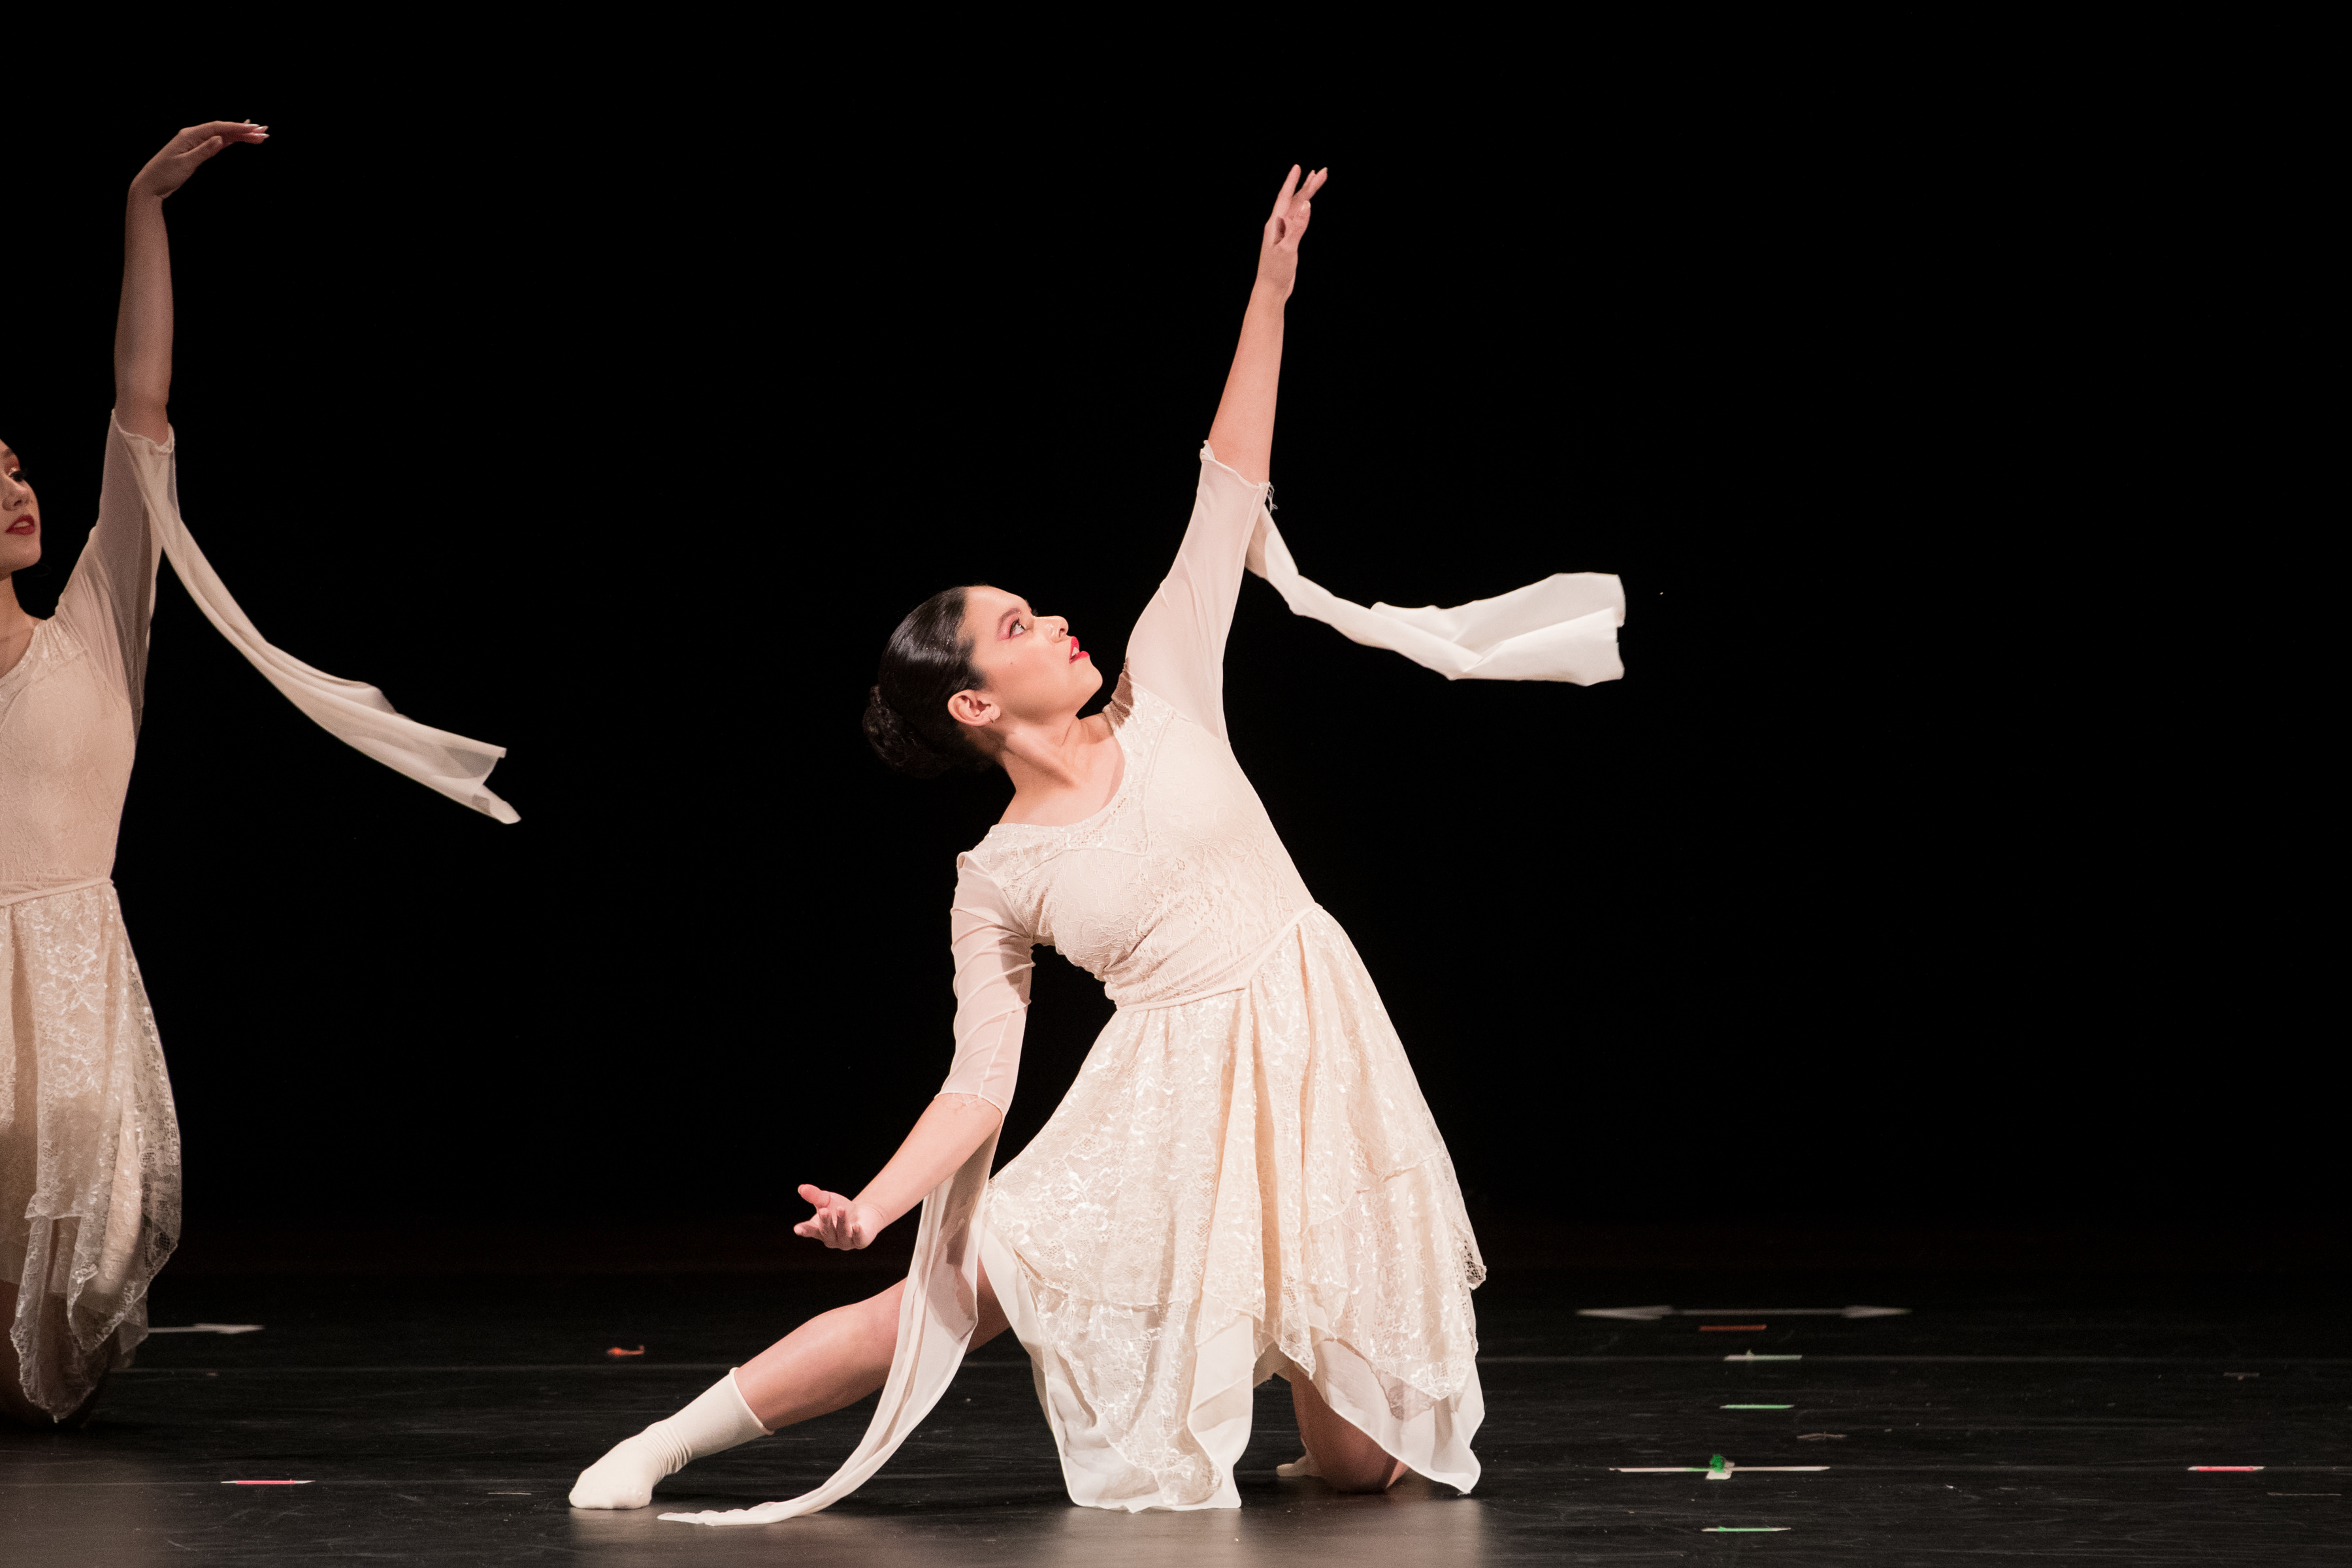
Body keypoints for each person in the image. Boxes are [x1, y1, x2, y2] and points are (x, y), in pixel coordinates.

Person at [568, 165, 1625, 1523]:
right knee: (940, 1304)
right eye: (1014, 630)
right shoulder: (999, 874)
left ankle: (1312, 1413)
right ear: (973, 704)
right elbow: (979, 1087)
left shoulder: (1167, 682)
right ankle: (666, 1442)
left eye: (1036, 609)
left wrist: (1270, 293)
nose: (1051, 623)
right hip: (1155, 1113)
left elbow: (1227, 485)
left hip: (1312, 1059)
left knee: (1364, 1469)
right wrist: (881, 1205)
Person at [0, 122, 518, 1428]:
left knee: (61, 1293)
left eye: (12, 464)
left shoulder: (97, 625)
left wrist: (144, 208)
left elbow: (142, 405)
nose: (15, 484)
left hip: (69, 976)